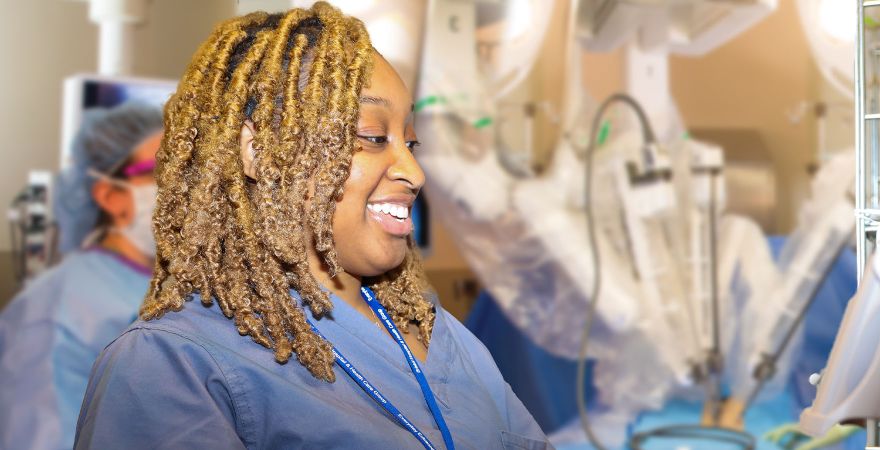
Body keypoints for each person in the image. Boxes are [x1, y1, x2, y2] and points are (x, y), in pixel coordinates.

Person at [75, 3, 550, 449]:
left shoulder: (438, 334)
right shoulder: (170, 366)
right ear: (259, 153)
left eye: (411, 141)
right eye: (372, 136)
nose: (415, 172)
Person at [0, 101, 162, 450]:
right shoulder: (52, 315)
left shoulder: (181, 286)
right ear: (110, 195)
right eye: (162, 171)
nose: (184, 186)